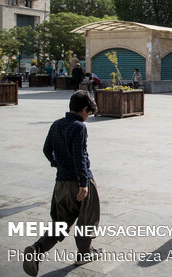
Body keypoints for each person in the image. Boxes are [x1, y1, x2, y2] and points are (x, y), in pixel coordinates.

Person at [23, 91, 102, 276]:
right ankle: (84, 253)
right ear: (84, 109)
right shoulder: (79, 127)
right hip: (79, 182)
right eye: (88, 113)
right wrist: (83, 183)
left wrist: (56, 163)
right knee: (87, 218)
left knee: (60, 222)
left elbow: (46, 149)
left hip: (61, 183)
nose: (87, 117)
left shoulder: (56, 124)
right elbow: (79, 157)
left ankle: (36, 250)